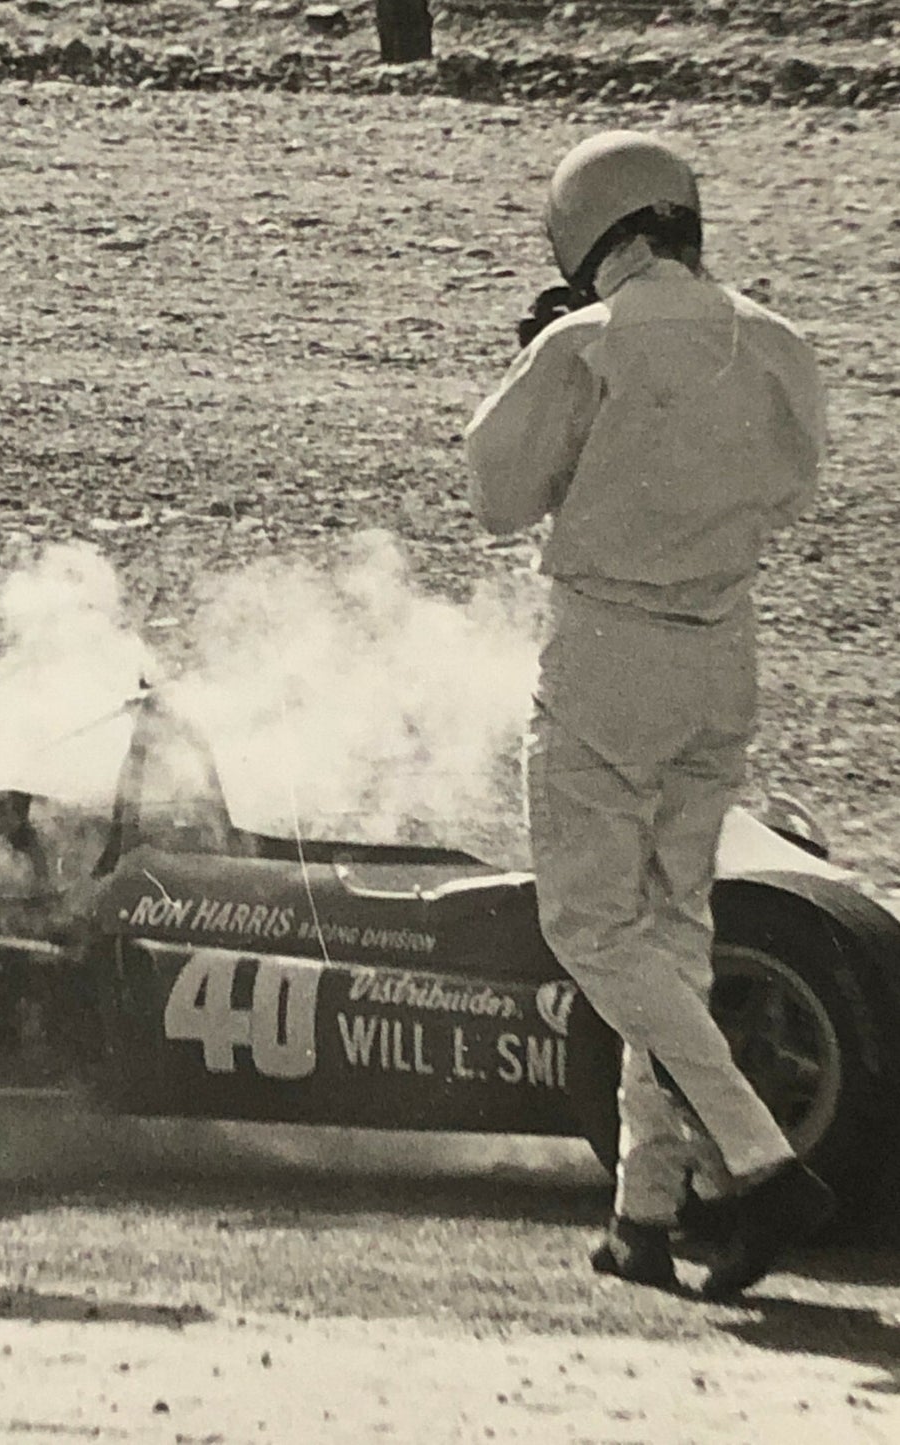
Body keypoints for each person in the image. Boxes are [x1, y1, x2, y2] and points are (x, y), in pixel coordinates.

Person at [465, 132, 834, 1300]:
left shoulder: (583, 341)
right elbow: (790, 487)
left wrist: (537, 371)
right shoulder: (775, 340)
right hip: (720, 651)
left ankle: (759, 1158)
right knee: (669, 932)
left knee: (589, 928)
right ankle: (642, 1211)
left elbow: (492, 498)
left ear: (581, 234)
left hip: (607, 652)